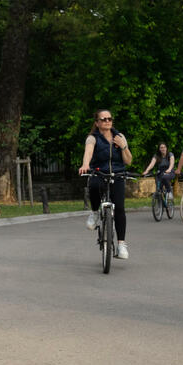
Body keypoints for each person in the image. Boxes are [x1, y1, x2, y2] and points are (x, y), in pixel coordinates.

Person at [78, 109, 133, 259]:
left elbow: (128, 161)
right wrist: (85, 165)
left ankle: (121, 245)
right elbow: (88, 152)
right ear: (97, 123)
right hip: (99, 172)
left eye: (109, 119)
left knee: (120, 208)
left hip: (118, 173)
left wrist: (123, 146)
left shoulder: (120, 137)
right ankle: (95, 213)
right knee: (94, 185)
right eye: (103, 119)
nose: (107, 121)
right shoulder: (92, 138)